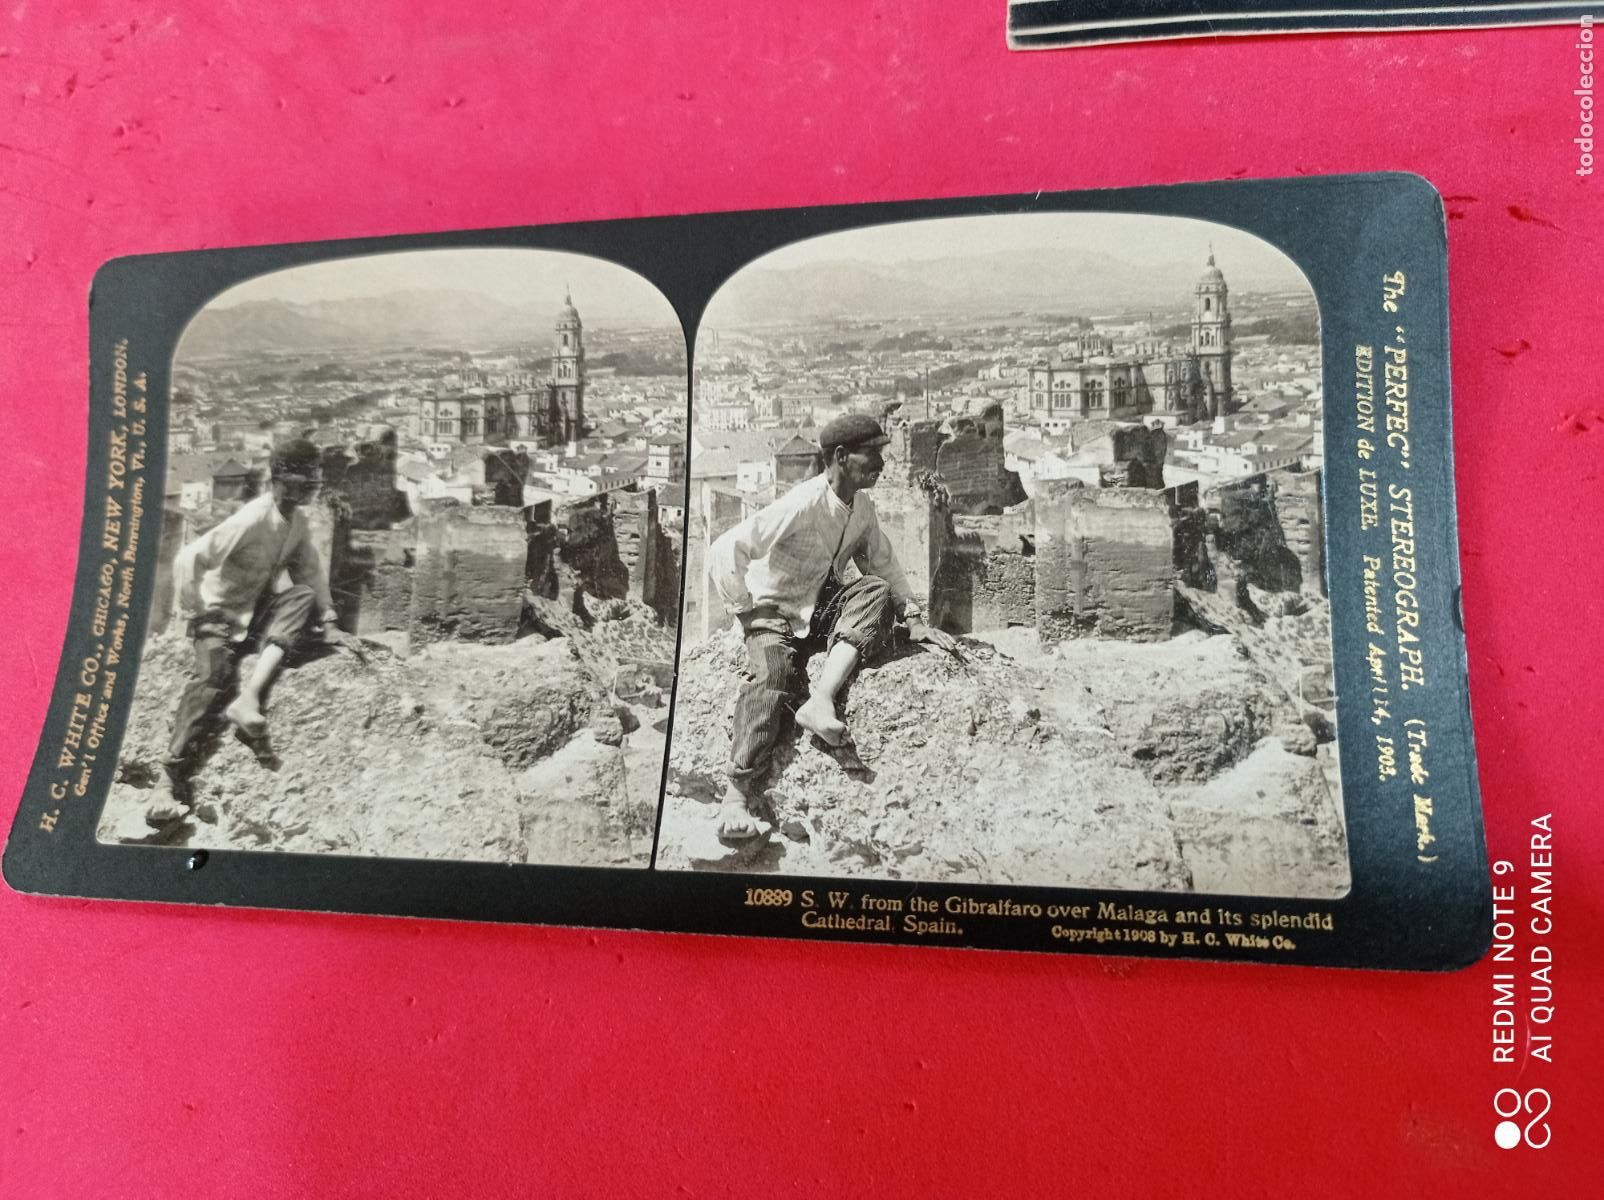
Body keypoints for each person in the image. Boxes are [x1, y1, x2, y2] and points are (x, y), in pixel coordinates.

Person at [706, 413, 959, 840]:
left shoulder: (862, 508)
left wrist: (913, 619)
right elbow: (726, 548)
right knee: (774, 674)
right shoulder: (803, 503)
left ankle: (820, 701)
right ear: (841, 457)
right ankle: (736, 793)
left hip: (819, 612)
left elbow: (883, 563)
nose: (881, 463)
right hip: (776, 612)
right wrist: (747, 611)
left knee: (874, 589)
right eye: (872, 454)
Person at [145, 438, 338, 826]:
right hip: (219, 617)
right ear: (280, 480)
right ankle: (167, 778)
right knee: (211, 681)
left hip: (255, 617)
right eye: (302, 482)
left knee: (299, 596)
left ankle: (249, 698)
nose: (308, 490)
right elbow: (190, 557)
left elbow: (308, 571)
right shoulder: (252, 518)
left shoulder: (296, 522)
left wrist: (330, 619)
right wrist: (197, 611)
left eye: (312, 483)